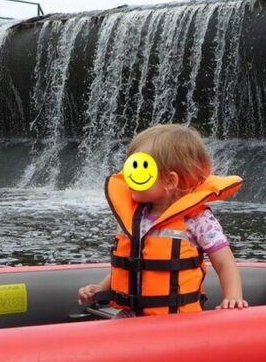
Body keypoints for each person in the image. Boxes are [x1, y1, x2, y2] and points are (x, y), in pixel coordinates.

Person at [78, 124, 248, 316]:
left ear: (169, 181)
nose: (127, 178)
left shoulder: (199, 220)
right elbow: (133, 264)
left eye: (138, 171)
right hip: (131, 314)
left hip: (179, 320)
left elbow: (225, 263)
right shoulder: (134, 217)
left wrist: (233, 297)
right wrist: (101, 288)